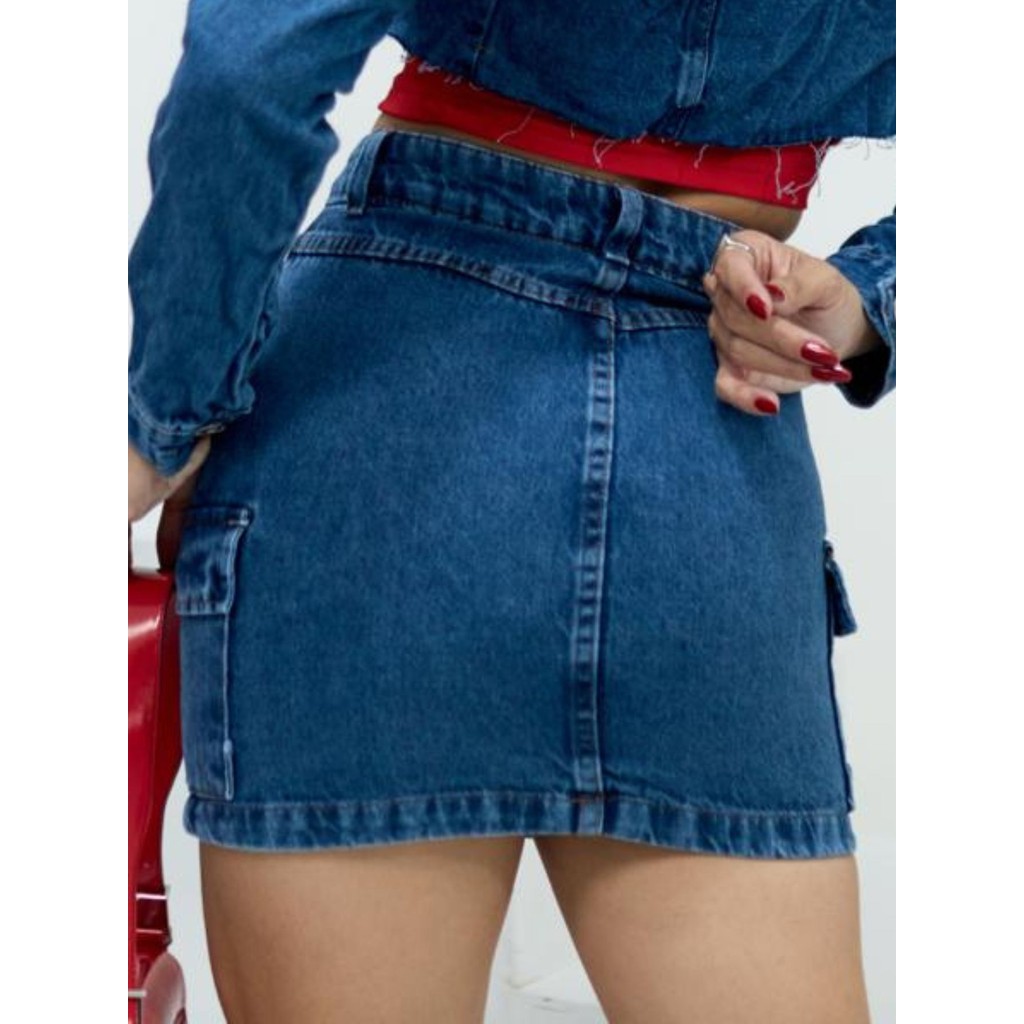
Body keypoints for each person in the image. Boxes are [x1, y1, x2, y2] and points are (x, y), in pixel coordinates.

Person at [128, 1, 894, 1020]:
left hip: (376, 401)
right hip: (711, 431)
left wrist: (162, 420)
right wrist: (867, 302)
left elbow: (246, 69)